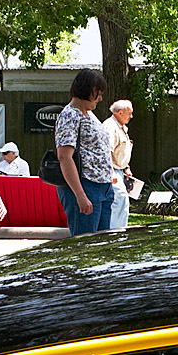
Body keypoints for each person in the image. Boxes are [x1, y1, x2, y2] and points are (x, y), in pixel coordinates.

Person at [53, 69, 123, 235]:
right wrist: (80, 195)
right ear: (85, 89)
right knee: (85, 247)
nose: (100, 98)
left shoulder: (90, 115)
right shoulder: (70, 115)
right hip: (86, 187)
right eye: (97, 93)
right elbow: (64, 157)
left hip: (103, 189)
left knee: (100, 247)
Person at [102, 99, 135, 229]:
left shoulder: (120, 127)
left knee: (122, 202)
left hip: (120, 171)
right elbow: (106, 152)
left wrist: (126, 167)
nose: (131, 116)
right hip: (113, 171)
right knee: (119, 201)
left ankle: (119, 230)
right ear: (120, 112)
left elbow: (120, 151)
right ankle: (115, 232)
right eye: (129, 113)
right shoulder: (110, 126)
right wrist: (111, 173)